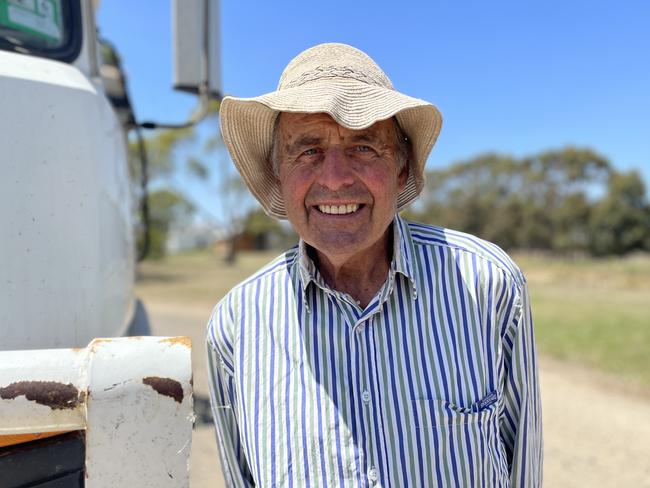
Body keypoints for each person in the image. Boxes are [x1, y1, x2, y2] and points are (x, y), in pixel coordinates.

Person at [206, 43, 542, 487]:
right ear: (278, 173)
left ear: (402, 168)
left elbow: (523, 467)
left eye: (364, 146)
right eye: (308, 151)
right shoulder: (236, 324)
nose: (335, 178)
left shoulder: (486, 285)